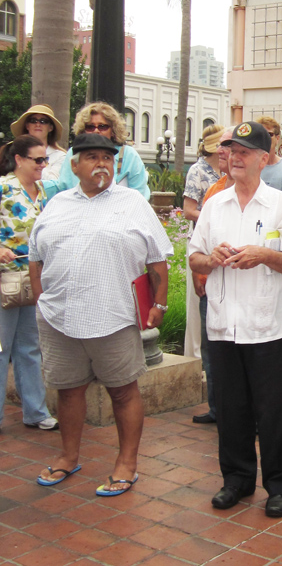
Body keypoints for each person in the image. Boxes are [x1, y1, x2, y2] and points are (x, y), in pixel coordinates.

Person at [31, 133, 172, 495]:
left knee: (123, 391)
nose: (101, 164)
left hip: (113, 316)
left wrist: (158, 304)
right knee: (67, 391)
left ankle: (127, 464)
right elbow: (36, 256)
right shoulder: (58, 203)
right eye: (91, 157)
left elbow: (158, 257)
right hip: (59, 317)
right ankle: (68, 457)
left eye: (108, 158)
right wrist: (41, 300)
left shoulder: (132, 203)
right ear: (74, 165)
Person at [189, 121, 282, 518]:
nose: (234, 158)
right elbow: (195, 256)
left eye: (243, 152)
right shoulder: (214, 204)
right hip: (224, 322)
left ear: (263, 158)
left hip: (268, 324)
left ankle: (278, 486)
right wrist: (211, 259)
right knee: (232, 408)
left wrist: (264, 255)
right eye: (230, 151)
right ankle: (236, 480)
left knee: (275, 411)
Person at [0, 136, 58, 432]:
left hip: (37, 279)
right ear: (19, 159)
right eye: (38, 160)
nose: (43, 165)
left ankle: (36, 412)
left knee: (30, 347)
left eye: (45, 159)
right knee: (1, 347)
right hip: (5, 280)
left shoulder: (46, 192)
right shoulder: (2, 188)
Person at [190, 127, 233, 425]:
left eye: (229, 147)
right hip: (211, 288)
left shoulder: (266, 196)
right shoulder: (213, 192)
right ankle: (218, 409)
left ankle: (241, 413)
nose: (222, 152)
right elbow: (200, 244)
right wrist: (198, 273)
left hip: (243, 292)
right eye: (220, 147)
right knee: (211, 350)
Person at [43, 102, 150, 200]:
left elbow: (140, 196)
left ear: (113, 130)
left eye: (102, 126)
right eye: (90, 127)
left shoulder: (129, 155)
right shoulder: (73, 153)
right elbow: (64, 187)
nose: (96, 130)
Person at [183, 125, 222, 363]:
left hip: (221, 243)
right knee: (197, 300)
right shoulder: (197, 171)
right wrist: (213, 219)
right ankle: (194, 358)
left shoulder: (228, 171)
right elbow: (188, 210)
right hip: (201, 242)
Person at [11, 104, 67, 181]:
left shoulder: (60, 156)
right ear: (27, 126)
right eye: (33, 121)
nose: (38, 124)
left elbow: (54, 182)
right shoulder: (13, 151)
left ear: (50, 127)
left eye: (43, 121)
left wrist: (34, 163)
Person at [255, 116, 282, 198]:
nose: (265, 138)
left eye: (269, 134)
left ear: (277, 138)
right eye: (260, 135)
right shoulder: (249, 167)